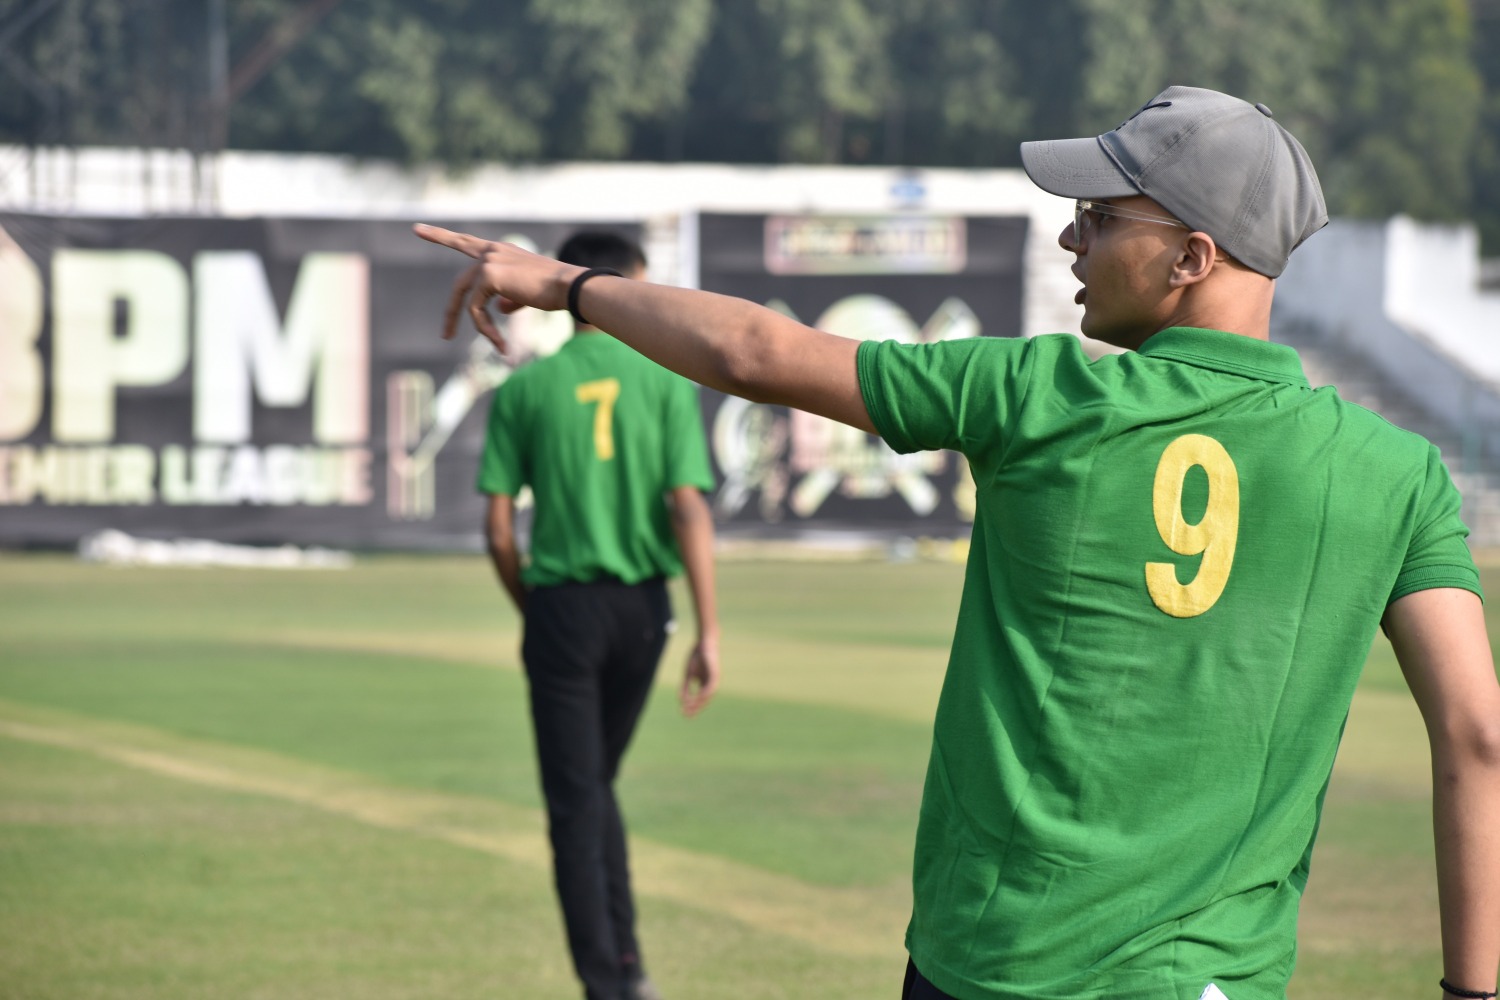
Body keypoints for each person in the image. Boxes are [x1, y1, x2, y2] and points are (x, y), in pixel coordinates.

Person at [421, 87, 1500, 1000]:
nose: (1072, 238)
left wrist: (566, 286)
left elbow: (756, 353)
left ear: (1191, 256)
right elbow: (1478, 739)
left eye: (1099, 217)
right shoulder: (1398, 473)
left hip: (998, 964)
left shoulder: (1036, 392)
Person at [474, 230, 720, 1000]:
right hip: (643, 610)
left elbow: (498, 530)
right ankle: (629, 968)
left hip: (562, 607)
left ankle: (608, 982)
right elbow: (688, 506)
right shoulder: (666, 382)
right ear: (633, 284)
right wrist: (709, 629)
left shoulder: (525, 390)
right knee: (594, 784)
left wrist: (535, 609)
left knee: (578, 797)